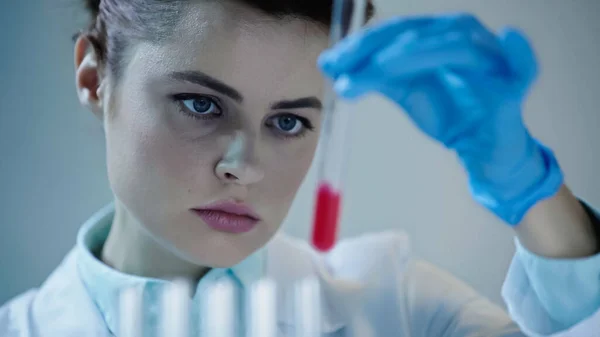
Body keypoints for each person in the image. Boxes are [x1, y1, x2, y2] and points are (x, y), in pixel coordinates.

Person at [1, 0, 599, 336]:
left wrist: (529, 191)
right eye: (201, 105)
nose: (246, 167)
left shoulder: (394, 302)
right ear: (93, 78)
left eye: (288, 122)